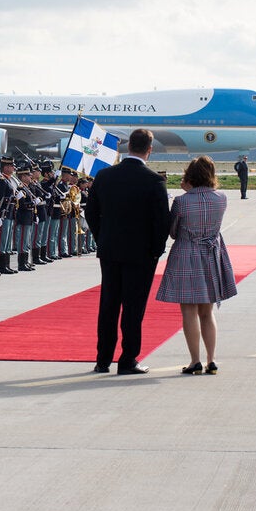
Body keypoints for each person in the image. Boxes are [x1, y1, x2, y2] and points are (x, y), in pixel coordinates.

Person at [84, 128, 172, 375]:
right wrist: (155, 250)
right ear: (149, 150)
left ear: (128, 146)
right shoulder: (154, 181)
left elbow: (90, 212)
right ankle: (127, 359)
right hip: (141, 254)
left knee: (109, 305)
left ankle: (102, 360)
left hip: (110, 250)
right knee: (133, 309)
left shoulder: (104, 175)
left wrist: (103, 237)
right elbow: (161, 222)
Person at [156, 156, 236, 375]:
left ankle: (195, 361)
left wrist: (185, 191)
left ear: (189, 175)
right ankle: (212, 359)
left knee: (189, 311)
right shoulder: (221, 198)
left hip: (186, 253)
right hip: (211, 255)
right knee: (207, 312)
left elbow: (172, 231)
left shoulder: (182, 201)